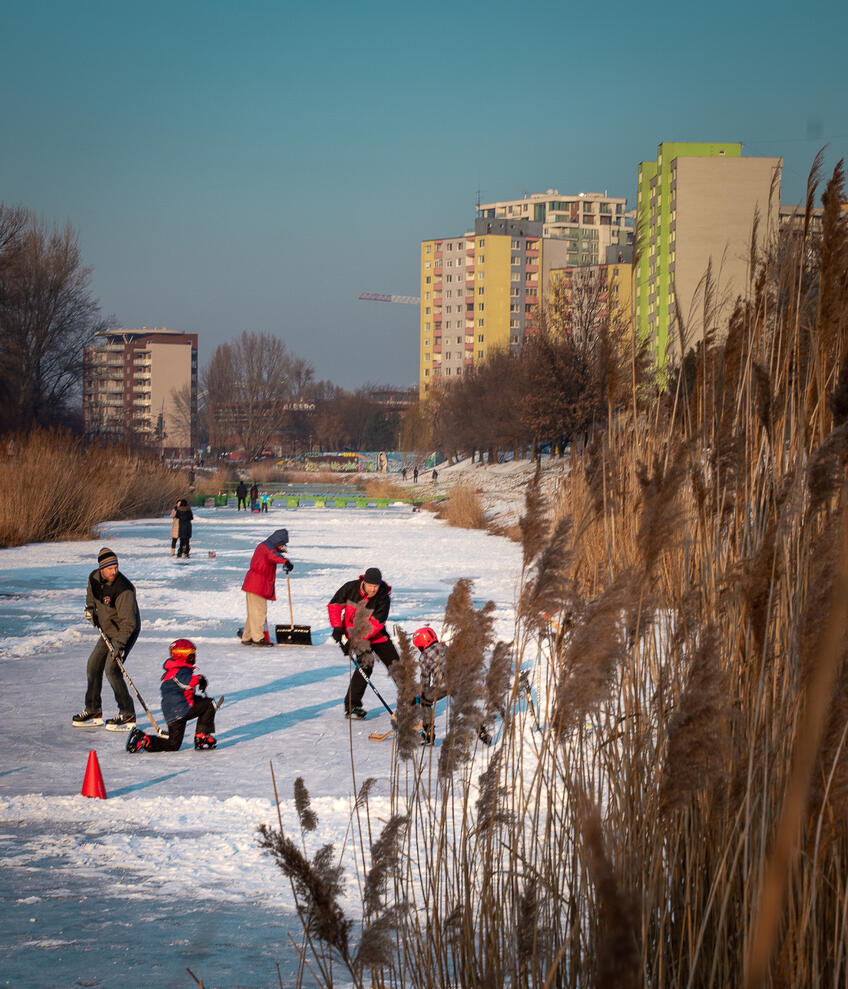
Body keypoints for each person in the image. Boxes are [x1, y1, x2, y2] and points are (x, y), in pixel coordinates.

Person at [73, 547, 141, 730]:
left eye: (116, 567)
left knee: (112, 669)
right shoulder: (94, 578)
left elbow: (129, 623)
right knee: (93, 665)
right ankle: (93, 709)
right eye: (110, 568)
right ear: (102, 568)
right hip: (108, 629)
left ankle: (127, 713)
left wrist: (119, 646)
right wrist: (90, 610)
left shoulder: (123, 589)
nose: (114, 571)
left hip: (125, 632)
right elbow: (91, 597)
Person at [328, 567, 399, 718]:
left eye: (376, 586)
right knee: (366, 665)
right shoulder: (350, 588)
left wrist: (353, 640)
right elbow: (334, 606)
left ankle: (411, 701)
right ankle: (353, 706)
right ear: (364, 582)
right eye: (371, 585)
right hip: (356, 635)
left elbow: (374, 625)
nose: (373, 589)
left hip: (376, 635)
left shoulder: (383, 597)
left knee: (395, 664)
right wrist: (337, 628)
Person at [126, 639, 217, 752]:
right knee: (209, 704)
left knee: (173, 745)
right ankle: (202, 737)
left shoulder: (174, 669)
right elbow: (187, 683)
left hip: (173, 711)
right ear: (182, 655)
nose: (194, 656)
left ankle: (145, 741)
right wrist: (200, 678)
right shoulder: (179, 670)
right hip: (181, 708)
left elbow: (180, 691)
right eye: (191, 653)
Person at [412, 626, 491, 746]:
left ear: (420, 644)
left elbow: (425, 679)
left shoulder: (424, 657)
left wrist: (421, 693)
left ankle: (428, 733)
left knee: (425, 700)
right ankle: (482, 731)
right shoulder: (445, 647)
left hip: (442, 685)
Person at [241, 528, 293, 646]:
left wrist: (281, 554)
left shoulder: (265, 545)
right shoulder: (269, 549)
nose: (284, 546)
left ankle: (247, 636)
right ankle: (258, 638)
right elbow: (273, 556)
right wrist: (286, 561)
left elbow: (273, 554)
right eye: (283, 543)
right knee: (259, 612)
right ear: (279, 541)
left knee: (253, 612)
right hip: (258, 584)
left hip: (253, 583)